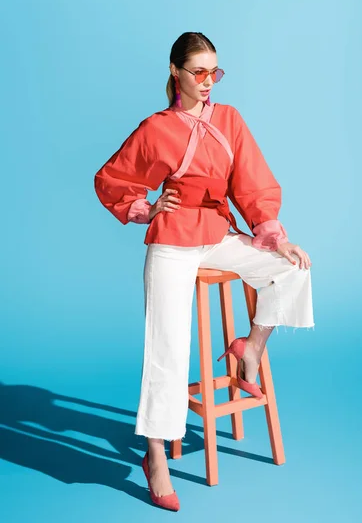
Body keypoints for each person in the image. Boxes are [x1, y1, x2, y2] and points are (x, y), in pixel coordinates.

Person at [94, 31, 314, 511]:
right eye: (198, 71)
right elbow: (112, 178)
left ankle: (249, 348)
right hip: (172, 238)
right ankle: (156, 452)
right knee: (168, 347)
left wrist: (274, 233)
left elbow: (253, 183)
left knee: (292, 268)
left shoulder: (230, 119)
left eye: (215, 71)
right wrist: (145, 209)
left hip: (216, 233)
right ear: (175, 72)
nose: (208, 80)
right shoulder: (156, 128)